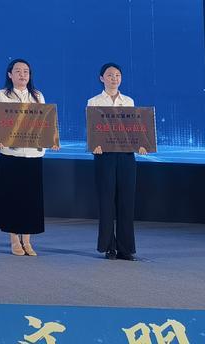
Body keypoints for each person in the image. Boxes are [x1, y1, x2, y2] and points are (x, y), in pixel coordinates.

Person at [0, 58, 58, 256]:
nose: (22, 75)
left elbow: (44, 123)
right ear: (10, 74)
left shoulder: (37, 96)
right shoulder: (2, 95)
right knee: (12, 197)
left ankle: (27, 241)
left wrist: (52, 140)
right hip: (10, 154)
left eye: (26, 71)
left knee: (31, 199)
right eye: (18, 71)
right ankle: (14, 240)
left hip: (33, 154)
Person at [88, 62, 146, 261]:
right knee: (106, 202)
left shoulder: (128, 101)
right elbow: (92, 129)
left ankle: (125, 248)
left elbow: (134, 128)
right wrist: (94, 144)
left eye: (117, 75)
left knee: (126, 202)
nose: (114, 78)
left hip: (126, 156)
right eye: (110, 75)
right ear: (101, 78)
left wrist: (140, 144)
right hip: (104, 156)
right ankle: (108, 247)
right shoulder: (94, 101)